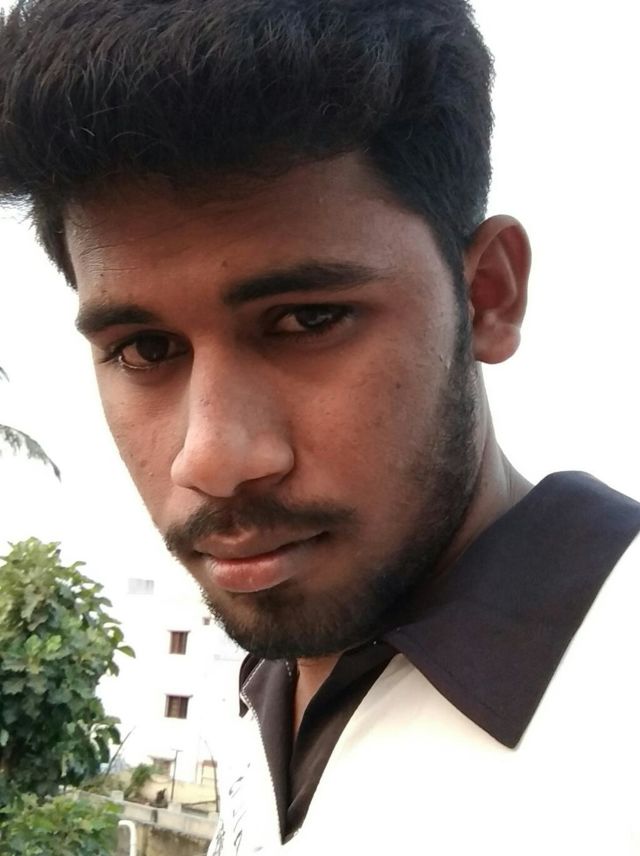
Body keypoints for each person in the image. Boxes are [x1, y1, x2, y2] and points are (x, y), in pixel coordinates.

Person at [0, 1, 638, 853]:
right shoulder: (270, 681)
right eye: (145, 348)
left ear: (488, 296)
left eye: (307, 320)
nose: (212, 459)